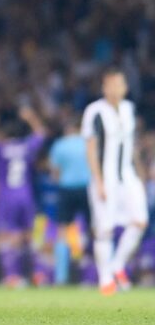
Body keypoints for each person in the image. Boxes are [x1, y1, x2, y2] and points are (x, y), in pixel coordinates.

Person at [81, 68, 149, 295]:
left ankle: (117, 265)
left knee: (140, 221)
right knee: (105, 228)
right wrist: (98, 180)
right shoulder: (95, 111)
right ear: (104, 87)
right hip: (106, 176)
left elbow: (132, 146)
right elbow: (91, 148)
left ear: (125, 87)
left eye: (120, 84)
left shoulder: (129, 109)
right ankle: (105, 279)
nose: (117, 89)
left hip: (127, 175)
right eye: (112, 84)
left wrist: (140, 173)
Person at [0, 107, 46, 287]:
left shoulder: (0, 149)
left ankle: (13, 276)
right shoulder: (26, 147)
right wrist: (31, 117)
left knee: (6, 236)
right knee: (28, 235)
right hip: (26, 195)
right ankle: (38, 274)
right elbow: (41, 133)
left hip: (6, 197)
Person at [48, 121, 92, 285]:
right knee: (94, 229)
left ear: (67, 130)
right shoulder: (87, 142)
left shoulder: (59, 145)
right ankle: (94, 274)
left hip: (66, 189)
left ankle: (61, 277)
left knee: (62, 231)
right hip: (88, 188)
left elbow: (54, 172)